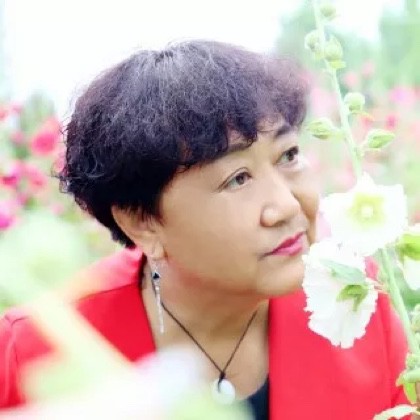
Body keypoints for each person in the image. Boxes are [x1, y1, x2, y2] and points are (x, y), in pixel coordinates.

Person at [0, 40, 409, 419]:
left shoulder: (356, 297)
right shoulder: (33, 350)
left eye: (288, 155)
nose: (286, 206)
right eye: (238, 179)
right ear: (142, 222)